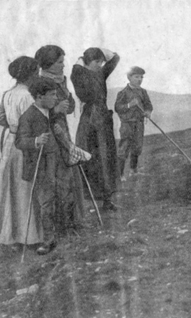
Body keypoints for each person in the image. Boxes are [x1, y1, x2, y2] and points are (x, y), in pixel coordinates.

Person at [0, 56, 43, 251]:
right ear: (30, 73)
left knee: (10, 188)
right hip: (25, 144)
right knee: (26, 186)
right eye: (36, 72)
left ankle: (12, 237)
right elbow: (36, 122)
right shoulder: (28, 96)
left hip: (10, 143)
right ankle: (30, 237)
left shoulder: (8, 94)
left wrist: (13, 125)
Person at [35, 45, 87, 231]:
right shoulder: (38, 83)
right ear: (48, 64)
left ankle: (71, 222)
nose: (63, 65)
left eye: (63, 61)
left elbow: (71, 107)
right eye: (59, 62)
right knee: (57, 181)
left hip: (62, 133)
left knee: (67, 179)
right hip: (49, 137)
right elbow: (34, 114)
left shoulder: (60, 81)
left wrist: (67, 102)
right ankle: (62, 225)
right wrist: (56, 110)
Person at [15, 78, 67, 255]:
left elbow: (53, 127)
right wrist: (36, 141)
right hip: (40, 164)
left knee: (60, 194)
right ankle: (48, 240)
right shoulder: (28, 116)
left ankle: (61, 231)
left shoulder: (49, 111)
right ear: (39, 96)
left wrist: (57, 131)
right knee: (46, 202)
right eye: (52, 95)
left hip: (56, 159)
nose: (55, 98)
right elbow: (20, 141)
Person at [71, 47, 120, 211]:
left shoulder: (100, 73)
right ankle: (88, 201)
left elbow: (115, 58)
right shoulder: (78, 73)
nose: (100, 65)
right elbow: (76, 68)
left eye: (101, 61)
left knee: (106, 159)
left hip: (103, 120)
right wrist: (81, 59)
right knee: (91, 159)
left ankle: (107, 200)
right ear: (86, 62)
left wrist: (101, 51)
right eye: (96, 61)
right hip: (89, 120)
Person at [114, 66, 153, 181]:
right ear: (129, 77)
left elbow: (148, 105)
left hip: (139, 124)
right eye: (136, 77)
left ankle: (133, 171)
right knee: (124, 148)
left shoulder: (143, 92)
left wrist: (148, 112)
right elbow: (117, 108)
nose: (140, 79)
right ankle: (120, 174)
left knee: (137, 147)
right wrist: (129, 105)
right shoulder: (123, 93)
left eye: (141, 77)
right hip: (127, 124)